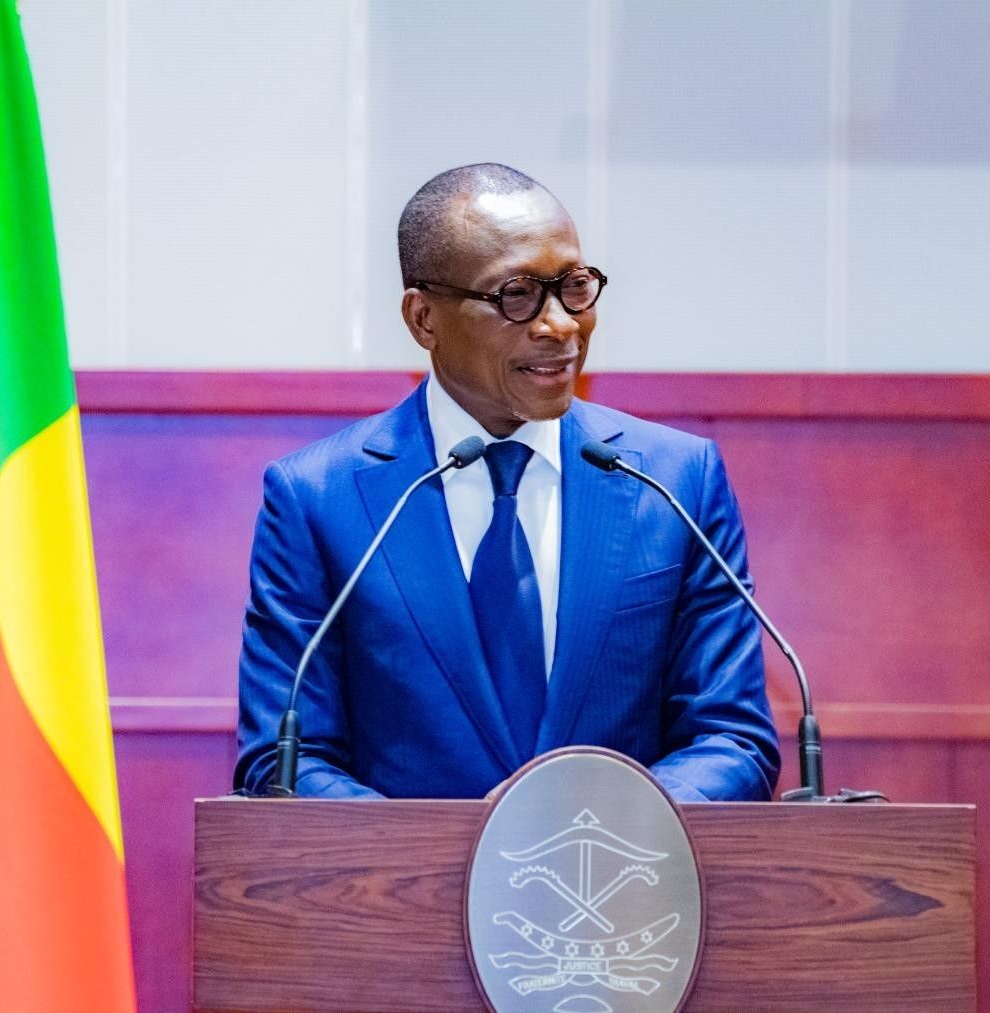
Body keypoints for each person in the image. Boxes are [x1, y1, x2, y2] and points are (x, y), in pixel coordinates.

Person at [234, 163, 779, 802]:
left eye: (575, 287)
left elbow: (732, 738)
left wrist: (600, 836)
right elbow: (285, 759)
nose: (561, 324)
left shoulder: (675, 482)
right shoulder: (318, 498)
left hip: (619, 863)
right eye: (516, 295)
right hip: (404, 870)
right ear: (423, 319)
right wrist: (451, 851)